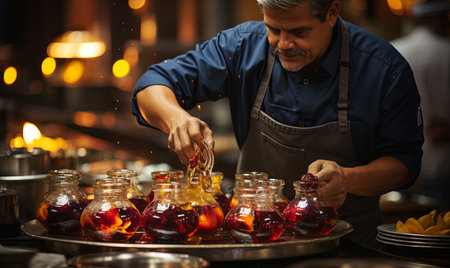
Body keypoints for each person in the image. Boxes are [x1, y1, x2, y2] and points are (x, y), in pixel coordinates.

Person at [131, 0, 423, 244]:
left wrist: (348, 179)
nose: (283, 44)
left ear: (332, 13)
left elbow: (404, 164)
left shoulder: (384, 70)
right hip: (252, 243)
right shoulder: (243, 47)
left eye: (298, 31)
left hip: (347, 247)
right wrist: (176, 117)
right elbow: (151, 85)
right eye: (274, 29)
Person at [391, 0, 450, 210]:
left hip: (397, 165)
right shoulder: (446, 51)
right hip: (442, 164)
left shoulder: (393, 51)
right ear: (439, 20)